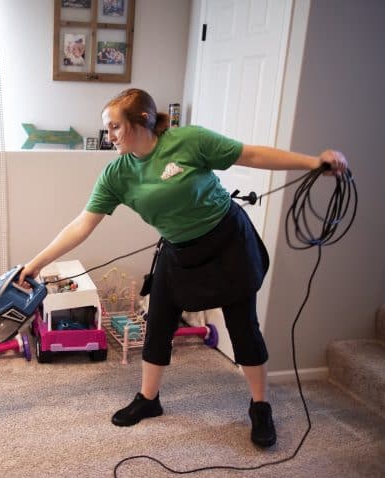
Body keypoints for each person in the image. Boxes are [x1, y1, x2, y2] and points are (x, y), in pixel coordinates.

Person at [18, 88, 348, 448]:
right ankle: (149, 399)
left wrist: (314, 162)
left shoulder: (188, 141)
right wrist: (36, 264)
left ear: (142, 120)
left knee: (244, 328)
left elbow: (250, 154)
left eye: (115, 127)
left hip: (228, 245)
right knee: (158, 322)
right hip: (178, 253)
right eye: (107, 128)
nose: (108, 136)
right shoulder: (117, 174)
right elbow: (81, 224)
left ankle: (260, 406)